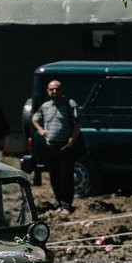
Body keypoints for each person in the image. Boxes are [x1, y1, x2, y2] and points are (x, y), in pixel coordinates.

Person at [31, 80, 81, 215]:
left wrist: (72, 140)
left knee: (66, 177)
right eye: (51, 89)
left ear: (61, 90)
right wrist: (41, 131)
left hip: (65, 147)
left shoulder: (70, 104)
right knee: (54, 177)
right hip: (51, 147)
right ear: (48, 91)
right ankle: (58, 203)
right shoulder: (45, 106)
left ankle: (66, 205)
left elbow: (77, 124)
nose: (54, 91)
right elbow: (34, 118)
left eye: (57, 89)